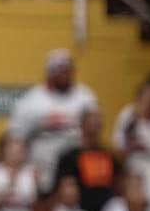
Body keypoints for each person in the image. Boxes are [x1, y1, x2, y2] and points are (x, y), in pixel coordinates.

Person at [9, 49, 99, 188]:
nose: (65, 74)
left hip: (76, 165)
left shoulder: (85, 96)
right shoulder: (31, 100)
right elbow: (16, 137)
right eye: (61, 70)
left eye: (68, 70)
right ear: (50, 72)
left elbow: (94, 130)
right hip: (43, 165)